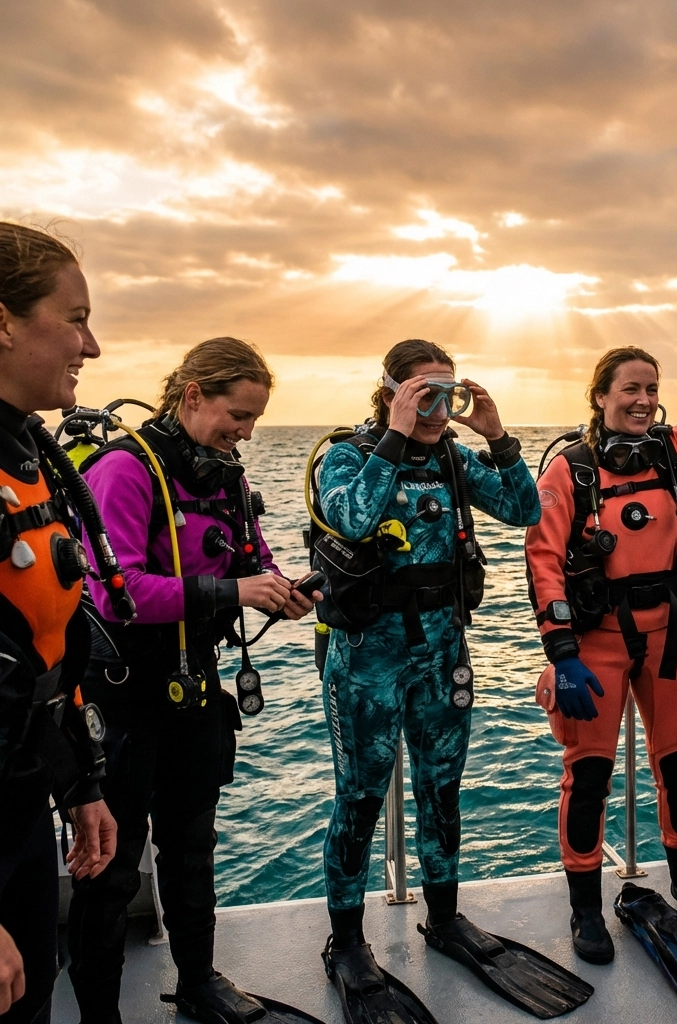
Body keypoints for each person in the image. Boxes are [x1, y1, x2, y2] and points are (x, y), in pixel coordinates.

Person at [314, 339, 581, 1022]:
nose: (438, 409)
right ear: (391, 394)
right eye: (422, 394)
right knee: (361, 797)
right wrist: (398, 435)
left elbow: (528, 510)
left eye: (447, 394)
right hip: (368, 659)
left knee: (441, 790)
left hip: (442, 651)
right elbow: (350, 516)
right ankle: (346, 941)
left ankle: (445, 917)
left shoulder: (455, 462)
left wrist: (496, 436)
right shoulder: (348, 456)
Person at [524, 260, 677, 964]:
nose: (643, 399)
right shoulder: (569, 469)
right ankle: (584, 910)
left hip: (668, 636)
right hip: (596, 642)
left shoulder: (672, 453)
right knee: (590, 774)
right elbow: (542, 556)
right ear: (600, 396)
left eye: (652, 389)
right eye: (630, 388)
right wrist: (561, 652)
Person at [65, 337, 319, 1024]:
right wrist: (234, 591)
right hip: (121, 693)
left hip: (195, 690)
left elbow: (253, 559)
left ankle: (200, 980)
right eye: (237, 416)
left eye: (255, 421)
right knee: (113, 870)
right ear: (192, 396)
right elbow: (119, 590)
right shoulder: (126, 469)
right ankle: (99, 1013)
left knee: (191, 847)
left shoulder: (228, 478)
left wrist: (282, 590)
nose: (246, 432)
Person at [0, 222, 118, 1024]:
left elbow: (45, 657)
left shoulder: (27, 455)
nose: (93, 345)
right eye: (73, 318)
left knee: (36, 995)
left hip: (22, 802)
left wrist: (79, 782)